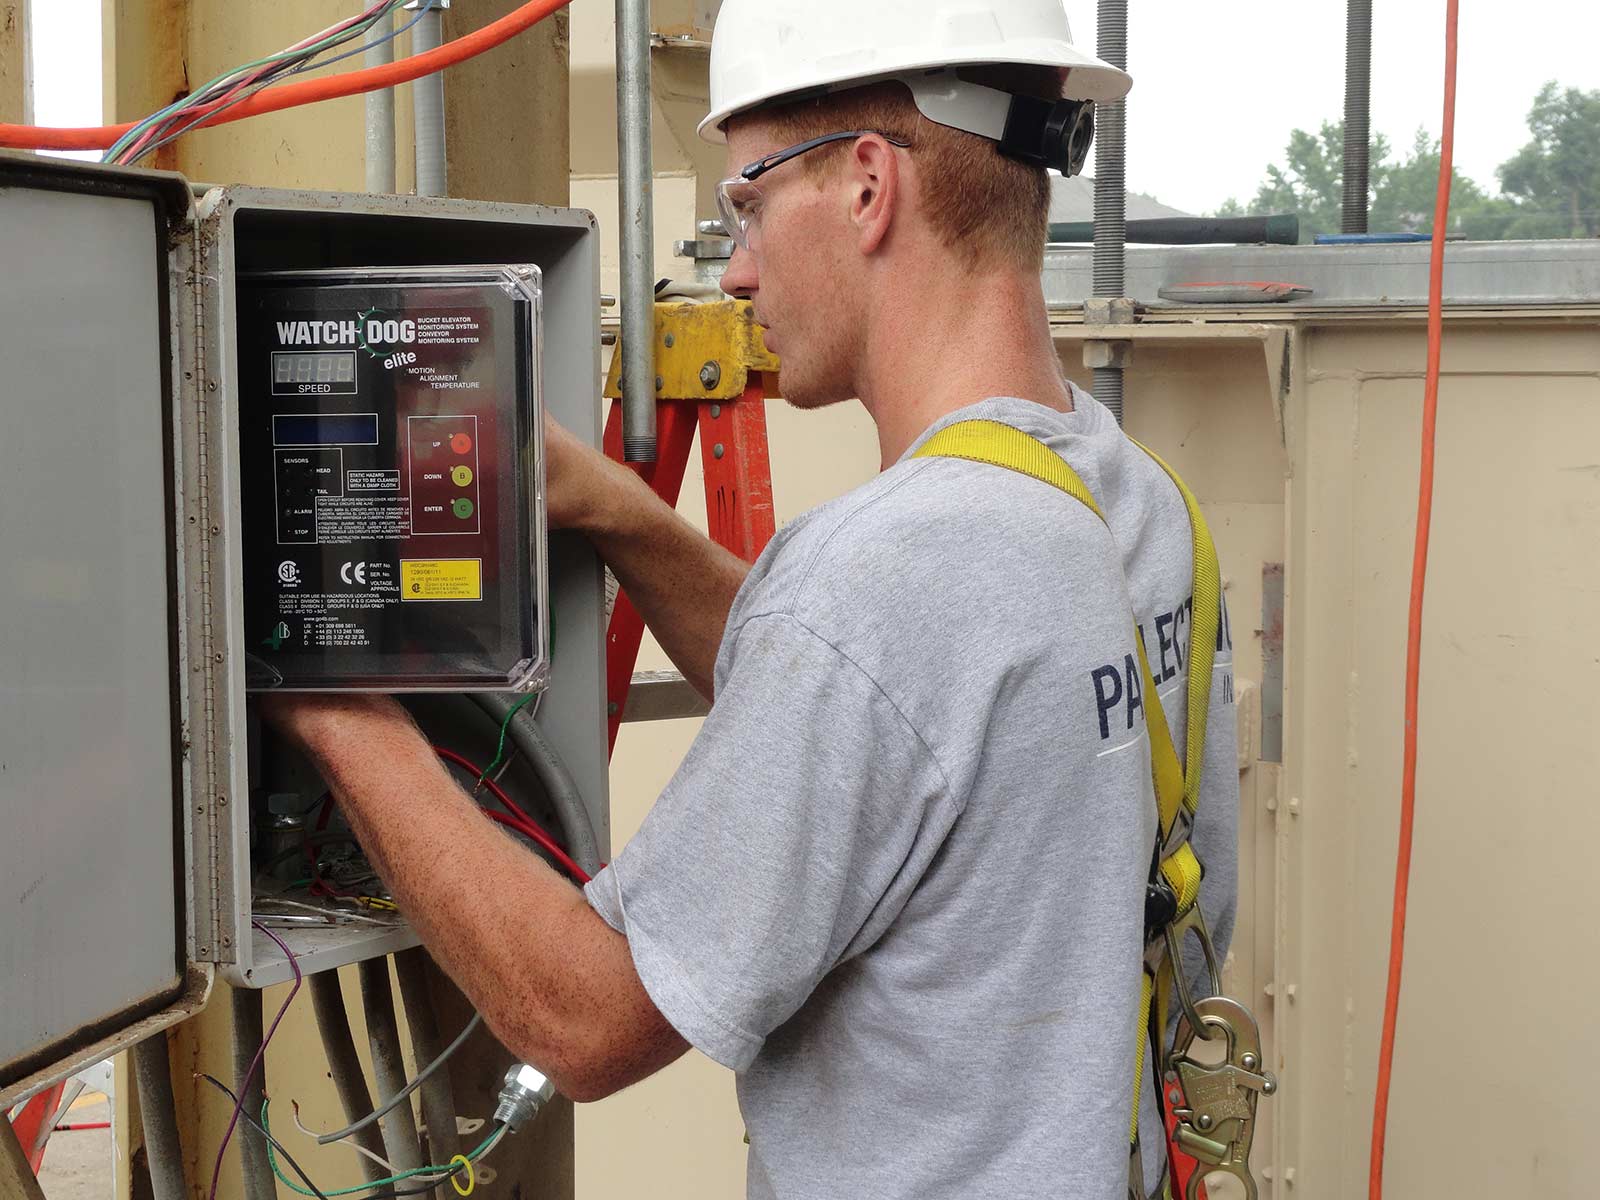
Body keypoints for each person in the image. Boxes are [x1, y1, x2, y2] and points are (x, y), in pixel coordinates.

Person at [264, 2, 1238, 1195]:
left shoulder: (888, 577)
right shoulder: (1141, 507)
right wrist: (623, 517)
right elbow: (894, 740)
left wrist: (327, 699)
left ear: (870, 186)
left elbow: (584, 1019)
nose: (735, 266)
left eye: (748, 202)